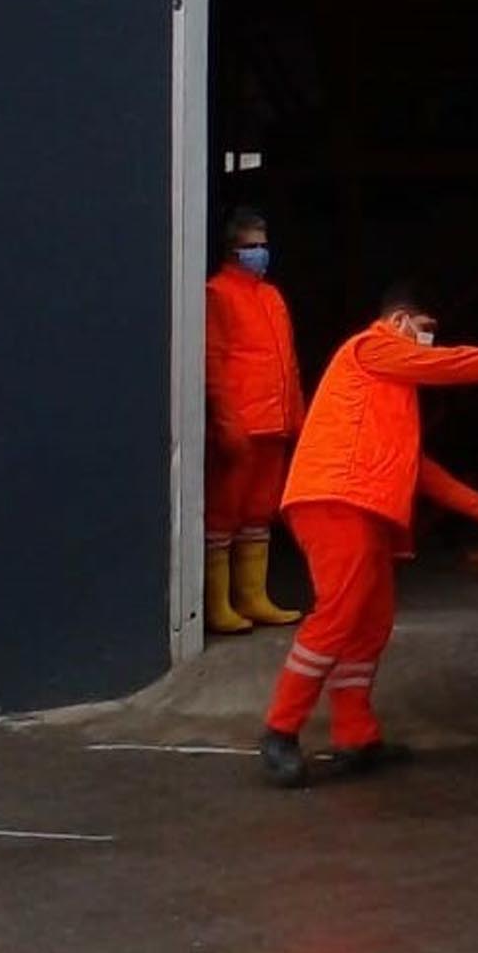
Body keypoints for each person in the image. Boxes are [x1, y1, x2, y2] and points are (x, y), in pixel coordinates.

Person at [260, 285, 478, 788]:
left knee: (369, 624)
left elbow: (413, 466)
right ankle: (280, 731)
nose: (430, 340)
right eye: (425, 328)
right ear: (399, 321)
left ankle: (356, 735)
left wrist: (477, 506)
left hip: (358, 507)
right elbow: (450, 367)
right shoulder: (373, 348)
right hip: (337, 503)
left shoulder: (388, 386)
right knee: (339, 616)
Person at [202, 208, 305, 636]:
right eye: (251, 246)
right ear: (232, 250)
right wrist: (227, 423)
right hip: (242, 425)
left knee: (260, 513)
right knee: (224, 514)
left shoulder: (273, 297)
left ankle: (253, 598)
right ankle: (217, 606)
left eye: (263, 245)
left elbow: (289, 364)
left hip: (274, 424)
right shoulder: (217, 293)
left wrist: (297, 417)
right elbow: (214, 363)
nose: (260, 253)